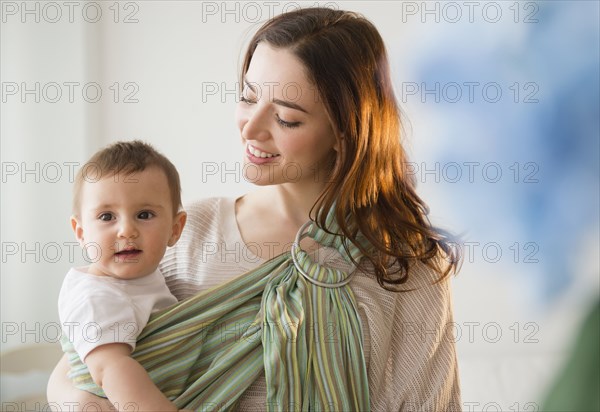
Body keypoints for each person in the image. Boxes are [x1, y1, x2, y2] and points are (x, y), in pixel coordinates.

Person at [48, 7, 462, 411]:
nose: (250, 127)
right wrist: (75, 400)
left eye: (286, 118)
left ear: (345, 132)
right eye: (248, 97)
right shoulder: (182, 233)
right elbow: (82, 364)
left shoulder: (404, 267)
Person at [57, 140, 187, 411]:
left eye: (144, 214)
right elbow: (110, 370)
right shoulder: (96, 297)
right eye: (106, 217)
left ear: (175, 229)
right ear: (81, 233)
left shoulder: (141, 280)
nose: (126, 230)